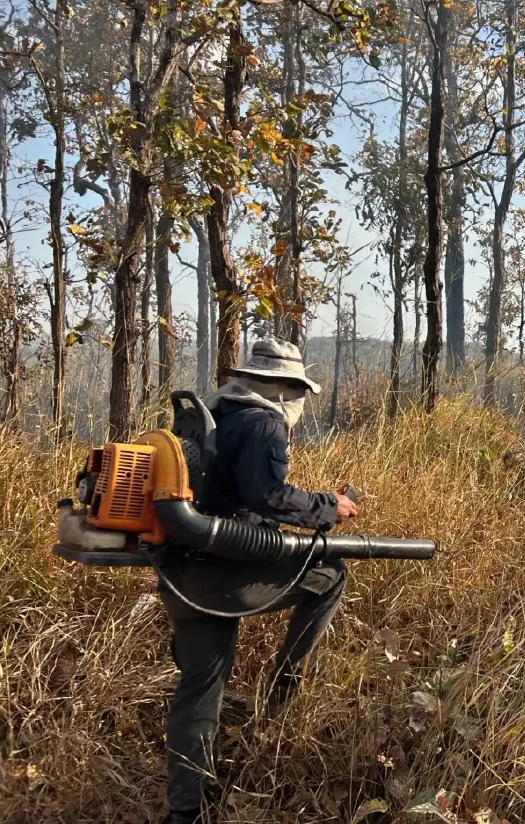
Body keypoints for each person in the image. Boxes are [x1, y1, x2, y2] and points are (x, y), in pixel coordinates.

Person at [159, 338, 358, 824]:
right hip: (224, 575)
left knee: (201, 684)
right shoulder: (265, 421)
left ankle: (185, 811)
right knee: (331, 575)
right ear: (286, 388)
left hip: (181, 572)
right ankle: (284, 691)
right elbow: (268, 497)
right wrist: (330, 507)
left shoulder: (210, 415)